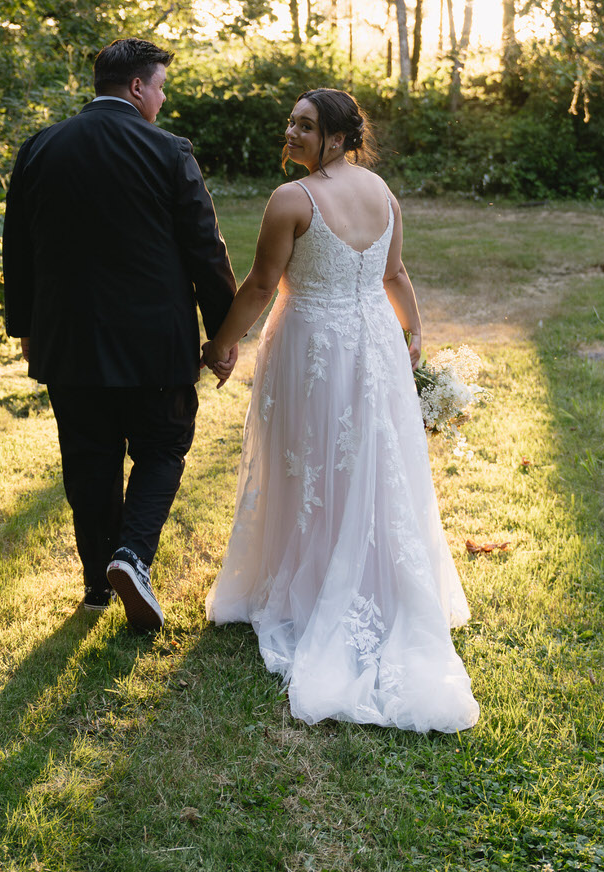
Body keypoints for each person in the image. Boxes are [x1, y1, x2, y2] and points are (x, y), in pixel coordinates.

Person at [202, 88, 479, 731]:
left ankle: (313, 585)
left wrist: (221, 343)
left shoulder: (291, 200)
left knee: (306, 465)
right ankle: (356, 577)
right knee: (365, 464)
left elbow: (263, 285)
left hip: (311, 347)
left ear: (336, 137)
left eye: (305, 125)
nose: (291, 131)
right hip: (372, 343)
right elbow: (396, 277)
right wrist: (412, 333)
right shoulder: (380, 192)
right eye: (291, 121)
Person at [3, 37, 237, 631]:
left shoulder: (39, 147)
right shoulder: (168, 150)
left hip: (67, 342)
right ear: (137, 87)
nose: (161, 98)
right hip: (153, 343)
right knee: (161, 449)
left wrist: (24, 327)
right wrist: (223, 333)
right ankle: (131, 555)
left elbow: (19, 251)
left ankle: (95, 585)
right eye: (160, 87)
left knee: (89, 459)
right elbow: (205, 249)